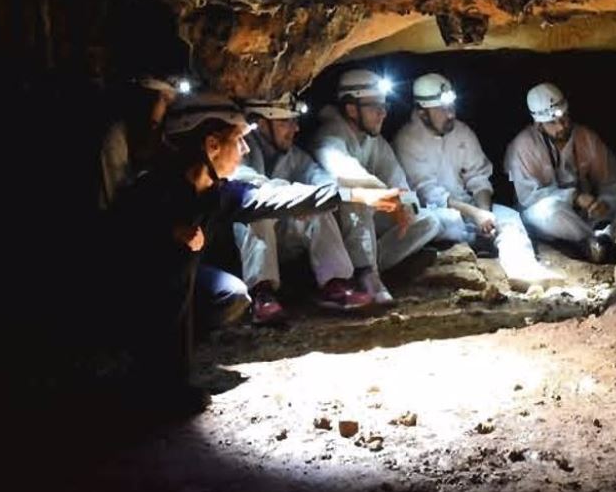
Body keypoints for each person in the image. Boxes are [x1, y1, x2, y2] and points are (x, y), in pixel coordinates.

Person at [108, 92, 400, 414]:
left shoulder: (217, 193)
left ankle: (180, 355)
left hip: (184, 285)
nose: (245, 149)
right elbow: (118, 235)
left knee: (230, 295)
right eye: (238, 140)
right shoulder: (153, 191)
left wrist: (354, 194)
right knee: (172, 262)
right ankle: (154, 380)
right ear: (212, 146)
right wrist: (166, 231)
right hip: (124, 293)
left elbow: (275, 196)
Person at [393, 72, 561, 290]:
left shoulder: (461, 132)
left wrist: (484, 212)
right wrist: (475, 215)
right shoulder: (407, 139)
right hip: (433, 211)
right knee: (442, 221)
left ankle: (523, 269)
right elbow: (427, 192)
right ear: (422, 113)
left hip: (468, 208)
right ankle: (469, 246)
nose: (451, 114)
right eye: (443, 109)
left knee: (509, 217)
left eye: (452, 106)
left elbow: (478, 176)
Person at [234, 94, 380, 325]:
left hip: (280, 237)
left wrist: (312, 199)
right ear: (262, 125)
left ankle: (336, 283)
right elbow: (254, 189)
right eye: (285, 122)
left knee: (320, 207)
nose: (295, 128)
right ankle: (260, 295)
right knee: (259, 215)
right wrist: (299, 199)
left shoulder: (294, 156)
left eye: (294, 121)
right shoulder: (238, 152)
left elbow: (320, 179)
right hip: (235, 244)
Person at [308, 69, 442, 305]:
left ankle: (366, 266)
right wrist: (385, 194)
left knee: (428, 220)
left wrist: (406, 205)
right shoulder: (329, 134)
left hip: (362, 228)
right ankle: (367, 276)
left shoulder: (374, 141)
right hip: (329, 224)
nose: (383, 113)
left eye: (384, 106)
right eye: (374, 106)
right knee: (358, 197)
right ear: (351, 109)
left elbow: (397, 179)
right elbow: (343, 170)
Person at [504, 82, 616, 262]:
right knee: (550, 211)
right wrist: (574, 197)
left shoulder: (585, 137)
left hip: (590, 215)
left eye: (564, 118)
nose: (561, 126)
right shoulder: (523, 146)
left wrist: (602, 203)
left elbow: (611, 181)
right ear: (539, 125)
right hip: (552, 217)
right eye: (552, 122)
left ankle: (607, 238)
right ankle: (593, 241)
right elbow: (528, 197)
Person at [97, 75, 184, 210]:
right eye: (162, 98)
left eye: (168, 101)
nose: (163, 106)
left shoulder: (166, 133)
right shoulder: (116, 135)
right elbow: (114, 194)